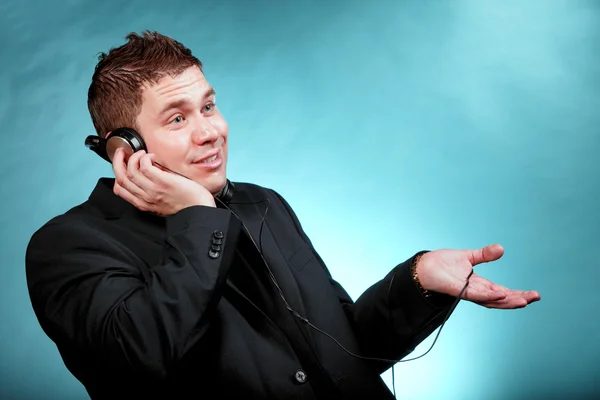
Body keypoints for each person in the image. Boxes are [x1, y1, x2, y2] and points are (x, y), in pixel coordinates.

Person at [25, 31, 541, 400]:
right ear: (124, 149)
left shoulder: (261, 203)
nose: (211, 131)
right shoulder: (67, 246)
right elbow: (141, 362)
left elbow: (344, 350)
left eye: (208, 106)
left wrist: (419, 280)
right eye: (178, 118)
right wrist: (197, 217)